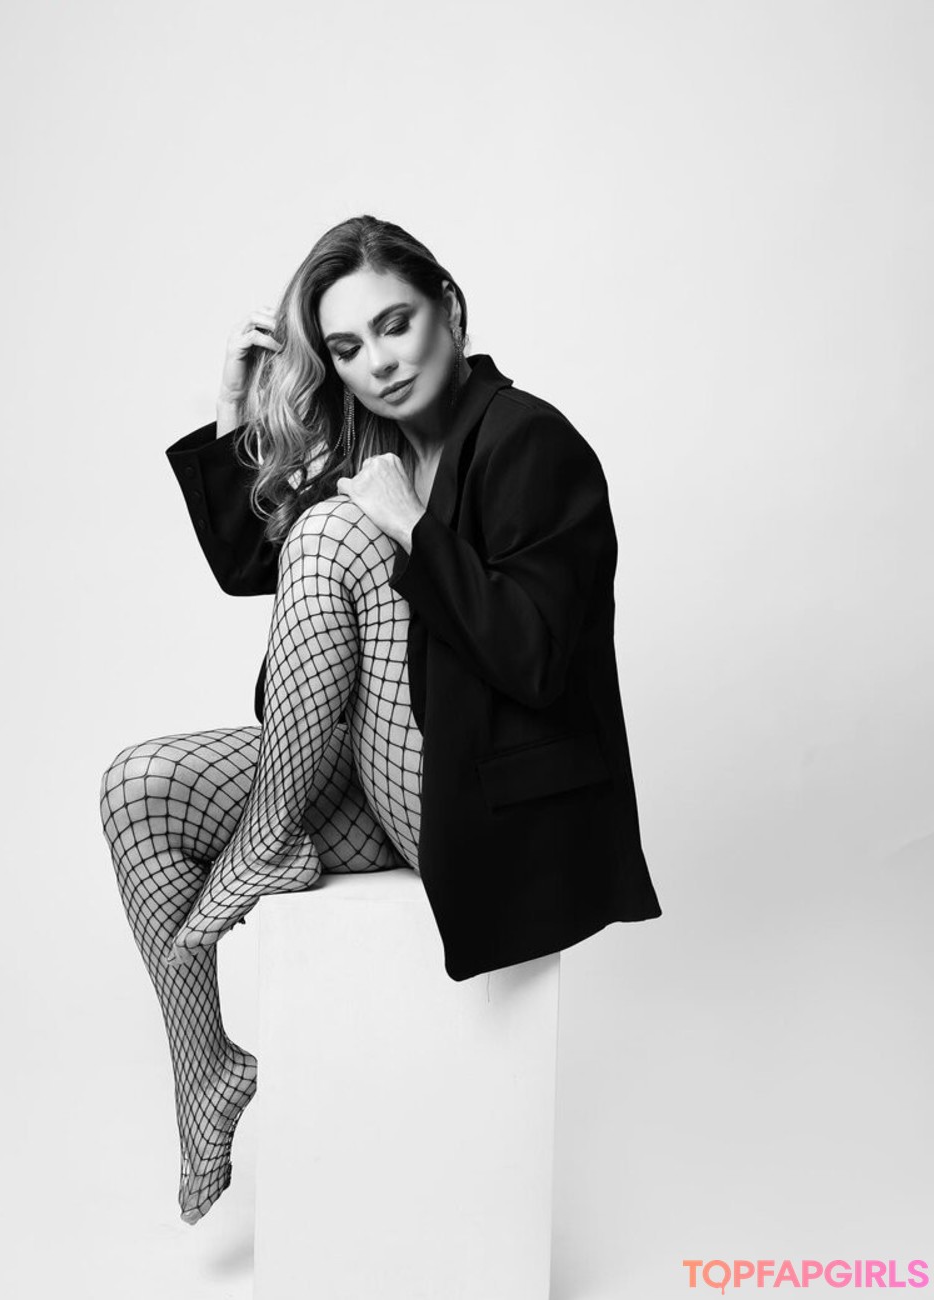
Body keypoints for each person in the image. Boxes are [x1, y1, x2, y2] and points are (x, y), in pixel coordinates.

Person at [99, 213, 662, 1226]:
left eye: (395, 325)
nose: (379, 364)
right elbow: (254, 567)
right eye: (349, 348)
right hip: (389, 780)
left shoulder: (530, 441)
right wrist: (232, 409)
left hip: (492, 800)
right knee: (139, 788)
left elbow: (535, 658)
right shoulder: (383, 448)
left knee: (334, 531)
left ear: (448, 309)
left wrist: (407, 523)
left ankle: (266, 840)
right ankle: (207, 1064)